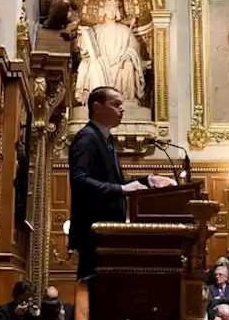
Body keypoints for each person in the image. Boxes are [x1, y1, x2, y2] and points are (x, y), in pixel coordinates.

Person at [68, 86, 176, 280]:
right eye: (116, 104)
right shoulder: (87, 138)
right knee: (94, 292)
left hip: (107, 232)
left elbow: (116, 182)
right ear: (97, 107)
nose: (122, 109)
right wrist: (122, 189)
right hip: (95, 232)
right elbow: (80, 181)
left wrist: (149, 180)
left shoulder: (105, 138)